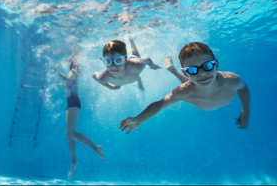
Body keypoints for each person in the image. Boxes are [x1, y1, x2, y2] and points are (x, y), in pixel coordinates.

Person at [119, 42, 250, 135]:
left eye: (207, 66)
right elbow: (160, 105)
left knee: (195, 82)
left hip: (193, 86)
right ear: (185, 72)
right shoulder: (183, 92)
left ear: (216, 64)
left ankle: (172, 70)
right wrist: (139, 120)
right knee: (190, 85)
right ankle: (173, 70)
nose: (202, 73)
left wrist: (246, 111)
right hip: (191, 88)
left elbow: (243, 89)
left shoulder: (232, 80)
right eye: (192, 69)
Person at [52, 61, 105, 180]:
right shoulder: (74, 72)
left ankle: (96, 148)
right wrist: (61, 83)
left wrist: (56, 71)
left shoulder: (73, 71)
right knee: (68, 134)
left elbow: (68, 81)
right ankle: (73, 162)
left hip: (73, 102)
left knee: (71, 133)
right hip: (71, 102)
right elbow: (69, 86)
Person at [92, 37, 161, 91]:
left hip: (132, 63)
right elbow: (94, 75)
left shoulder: (137, 65)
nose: (113, 66)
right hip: (130, 75)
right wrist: (110, 87)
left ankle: (131, 40)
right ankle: (137, 78)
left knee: (136, 56)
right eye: (108, 61)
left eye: (118, 60)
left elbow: (147, 59)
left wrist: (153, 66)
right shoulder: (104, 77)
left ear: (125, 59)